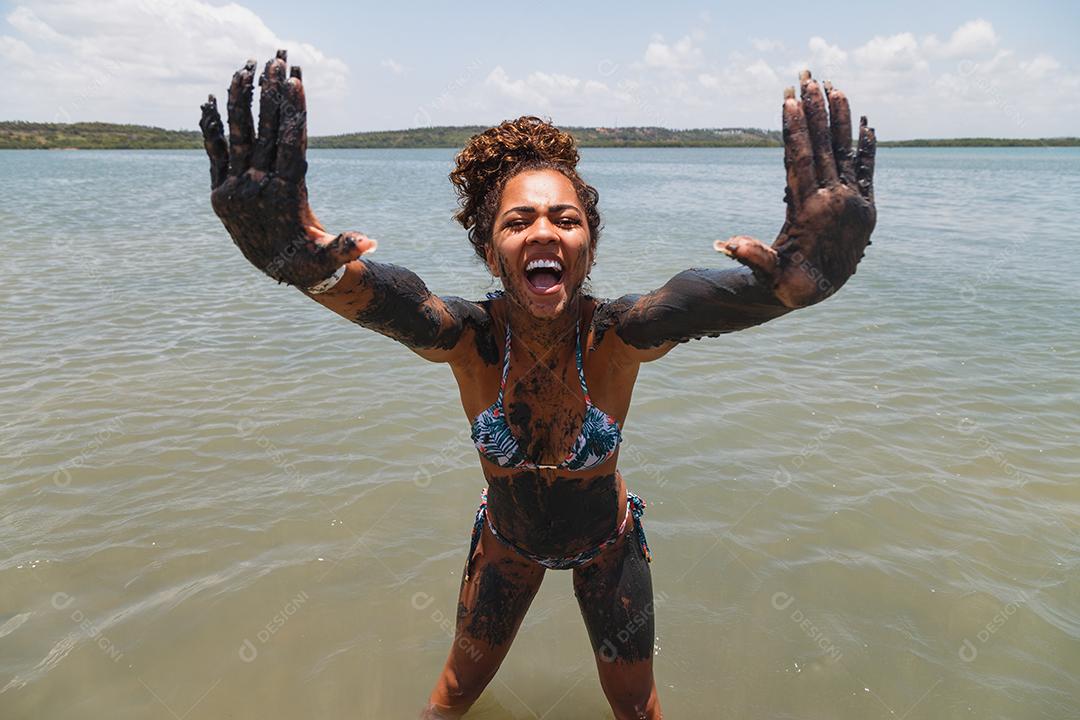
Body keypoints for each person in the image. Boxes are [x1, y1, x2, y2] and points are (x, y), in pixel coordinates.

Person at [199, 49, 877, 720]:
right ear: (491, 249)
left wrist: (796, 288)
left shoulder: (617, 336)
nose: (543, 231)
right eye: (518, 221)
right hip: (508, 545)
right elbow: (393, 300)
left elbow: (694, 300)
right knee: (453, 698)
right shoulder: (472, 342)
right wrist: (300, 263)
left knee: (636, 707)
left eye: (566, 219)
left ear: (588, 244)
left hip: (606, 548)